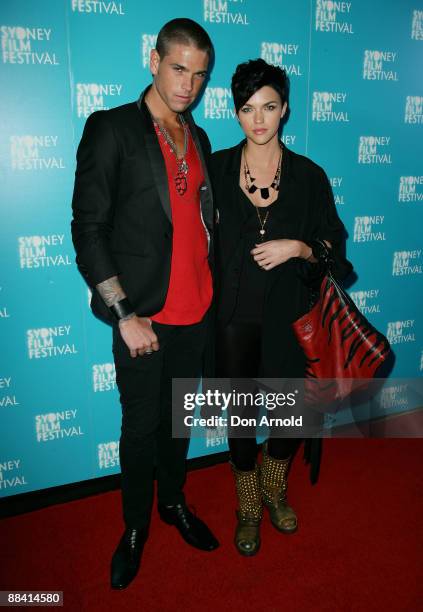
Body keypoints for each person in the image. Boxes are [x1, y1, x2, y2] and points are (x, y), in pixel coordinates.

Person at [71, 18, 218, 589]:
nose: (188, 84)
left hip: (196, 314)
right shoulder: (112, 129)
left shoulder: (199, 137)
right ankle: (135, 527)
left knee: (179, 423)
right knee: (139, 429)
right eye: (178, 68)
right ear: (151, 60)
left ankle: (174, 503)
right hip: (144, 319)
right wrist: (124, 314)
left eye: (199, 74)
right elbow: (88, 229)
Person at [210, 59, 351, 556]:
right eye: (247, 109)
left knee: (290, 416)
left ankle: (274, 489)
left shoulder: (310, 177)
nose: (259, 119)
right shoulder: (218, 168)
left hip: (290, 316)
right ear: (236, 113)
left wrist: (299, 247)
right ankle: (248, 505)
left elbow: (334, 245)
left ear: (285, 109)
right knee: (242, 418)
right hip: (231, 319)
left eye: (269, 106)